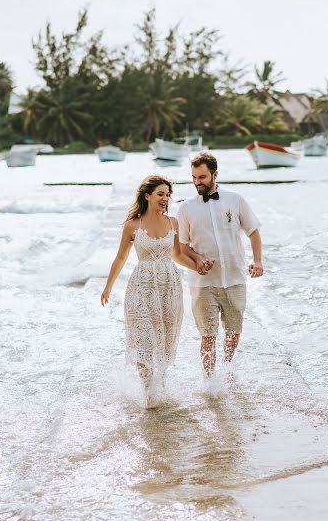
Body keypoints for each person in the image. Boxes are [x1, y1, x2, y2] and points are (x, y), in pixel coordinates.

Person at [101, 175, 199, 408]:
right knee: (144, 339)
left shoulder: (173, 223)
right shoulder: (132, 226)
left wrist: (198, 266)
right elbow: (121, 257)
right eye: (160, 194)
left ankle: (160, 386)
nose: (165, 199)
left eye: (167, 194)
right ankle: (148, 391)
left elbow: (176, 255)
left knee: (165, 339)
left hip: (169, 287)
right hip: (142, 287)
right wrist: (108, 287)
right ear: (147, 196)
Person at [177, 152, 263, 378]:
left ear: (215, 174)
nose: (197, 182)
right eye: (194, 177)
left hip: (235, 279)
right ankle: (209, 382)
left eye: (202, 177)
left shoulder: (235, 199)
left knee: (233, 332)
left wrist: (257, 260)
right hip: (203, 283)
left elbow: (253, 230)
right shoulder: (186, 208)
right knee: (208, 334)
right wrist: (197, 259)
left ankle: (227, 370)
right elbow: (182, 246)